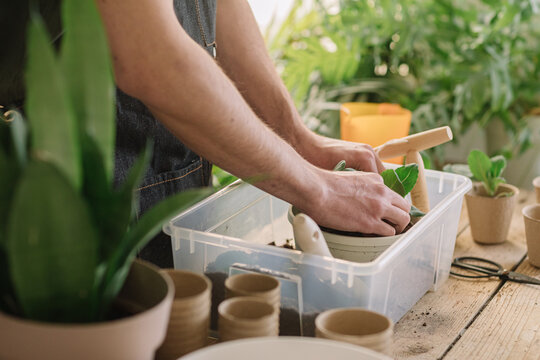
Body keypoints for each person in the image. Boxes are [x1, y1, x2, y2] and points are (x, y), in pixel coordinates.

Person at [2, 0, 410, 268]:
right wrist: (318, 190)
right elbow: (150, 57)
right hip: (50, 195)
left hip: (169, 197)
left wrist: (299, 140)